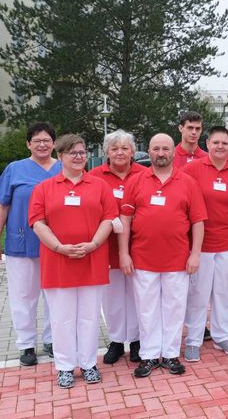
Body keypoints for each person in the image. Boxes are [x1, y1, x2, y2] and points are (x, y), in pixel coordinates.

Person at [28, 134, 116, 389]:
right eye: (73, 153)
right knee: (62, 318)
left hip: (93, 259)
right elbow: (37, 222)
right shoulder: (44, 188)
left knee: (89, 317)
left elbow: (108, 218)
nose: (79, 157)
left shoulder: (99, 186)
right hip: (58, 261)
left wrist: (94, 244)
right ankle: (65, 366)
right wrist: (59, 247)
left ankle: (88, 363)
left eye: (82, 152)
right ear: (60, 156)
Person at [118, 133, 206, 378]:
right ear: (149, 151)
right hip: (143, 258)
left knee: (175, 308)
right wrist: (123, 254)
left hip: (178, 259)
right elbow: (125, 220)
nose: (161, 153)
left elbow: (198, 222)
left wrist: (195, 254)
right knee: (146, 309)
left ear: (172, 152)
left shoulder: (187, 182)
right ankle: (148, 356)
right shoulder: (136, 181)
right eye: (156, 148)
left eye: (165, 148)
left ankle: (169, 354)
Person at [0, 122, 61, 367]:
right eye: (36, 140)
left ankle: (53, 340)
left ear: (54, 143)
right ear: (28, 144)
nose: (42, 144)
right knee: (23, 295)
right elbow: (2, 205)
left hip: (58, 244)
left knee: (55, 295)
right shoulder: (15, 169)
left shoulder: (64, 168)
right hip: (21, 241)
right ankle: (26, 344)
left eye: (47, 140)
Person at [182, 126, 228, 359]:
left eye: (224, 143)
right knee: (199, 295)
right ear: (208, 143)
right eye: (216, 143)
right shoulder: (193, 169)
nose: (220, 147)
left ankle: (221, 336)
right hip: (201, 246)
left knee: (223, 293)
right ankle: (193, 339)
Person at [88, 130, 148, 365]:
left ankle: (136, 341)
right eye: (114, 149)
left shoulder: (145, 175)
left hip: (140, 247)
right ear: (106, 152)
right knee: (112, 298)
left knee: (136, 297)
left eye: (125, 148)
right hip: (107, 248)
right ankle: (116, 341)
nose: (120, 152)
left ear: (133, 151)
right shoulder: (94, 176)